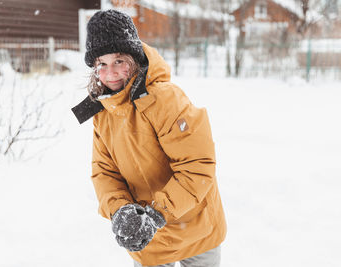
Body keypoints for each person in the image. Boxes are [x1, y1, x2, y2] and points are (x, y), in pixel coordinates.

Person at [72, 9, 227, 267]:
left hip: (195, 228)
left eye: (119, 61)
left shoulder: (166, 99)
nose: (110, 73)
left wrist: (156, 215)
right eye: (102, 64)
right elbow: (105, 172)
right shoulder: (104, 113)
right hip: (149, 238)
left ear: (133, 58)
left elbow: (196, 166)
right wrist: (119, 209)